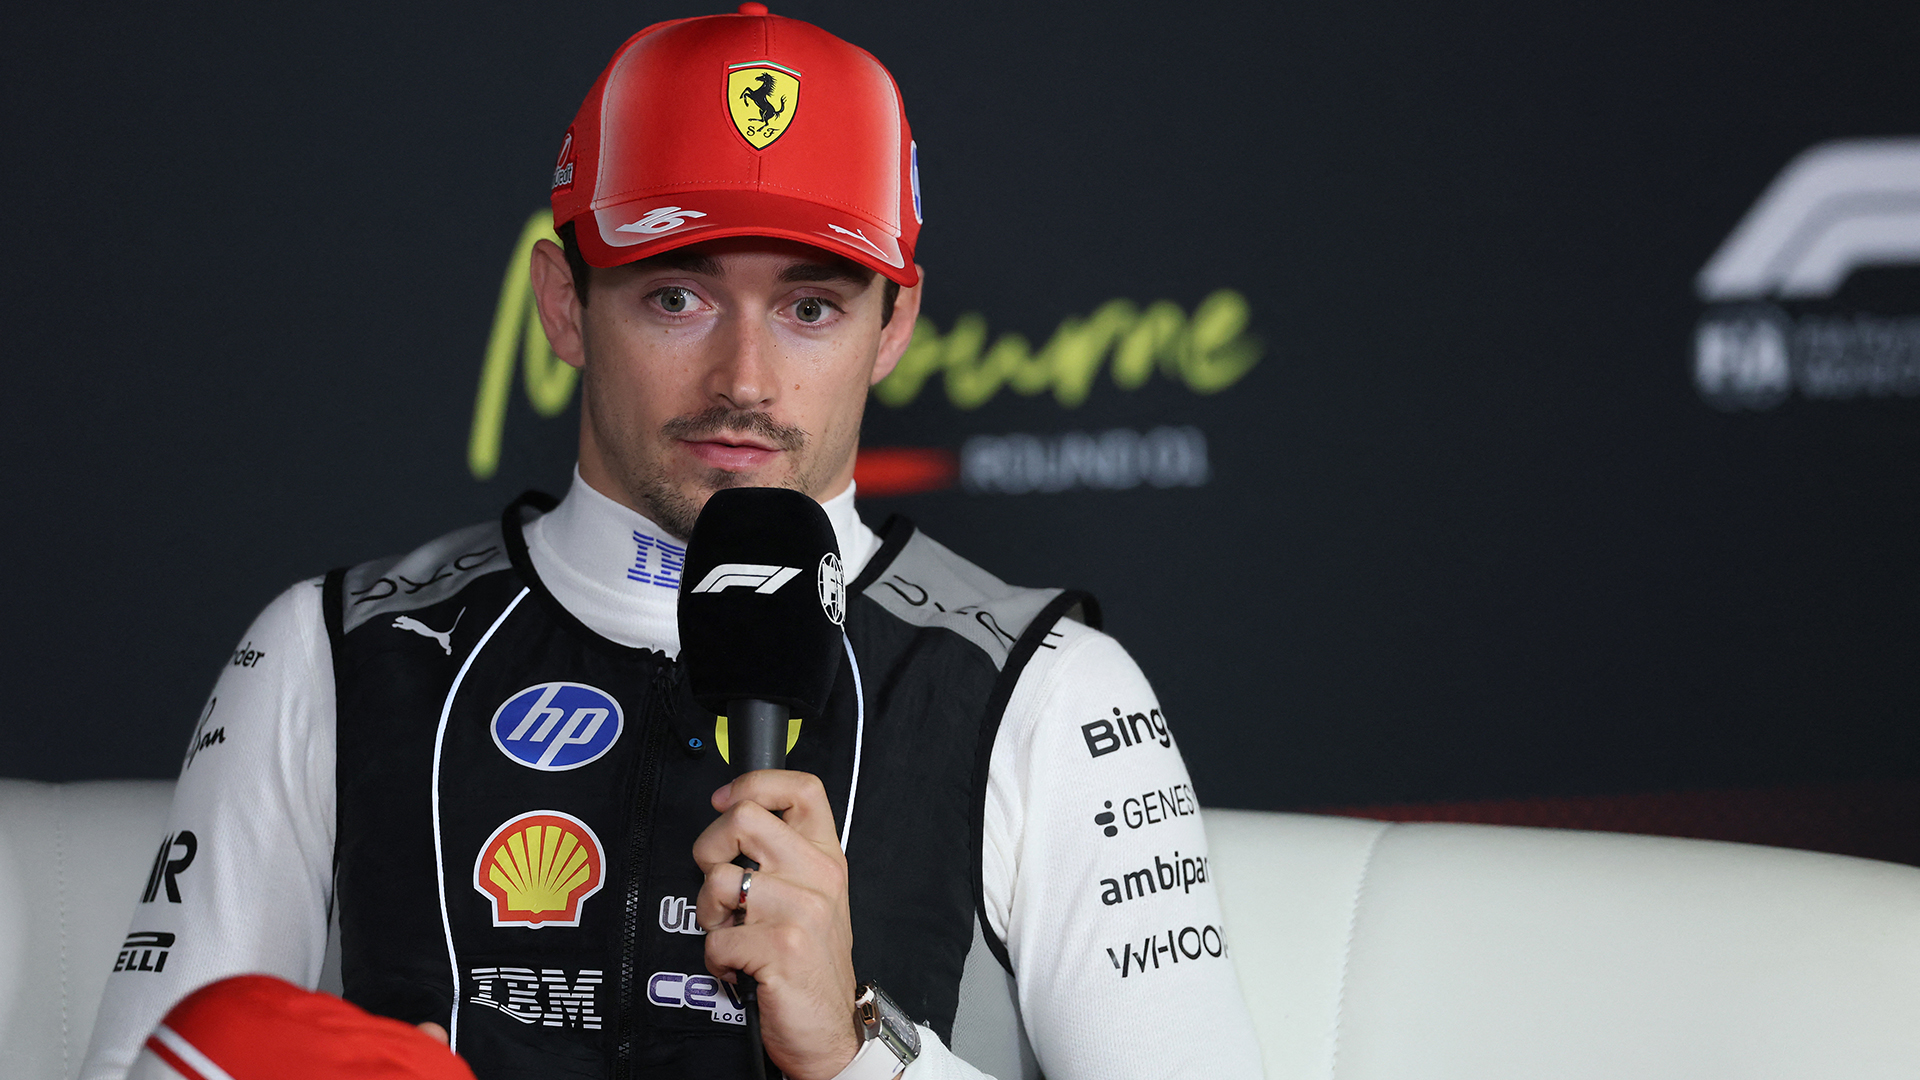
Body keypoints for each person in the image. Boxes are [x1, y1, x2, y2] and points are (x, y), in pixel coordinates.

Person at [82, 6, 1264, 1079]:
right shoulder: (339, 650)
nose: (743, 380)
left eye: (810, 308)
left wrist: (861, 1049)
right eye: (676, 297)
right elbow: (163, 1061)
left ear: (894, 324)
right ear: (562, 303)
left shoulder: (1045, 691)